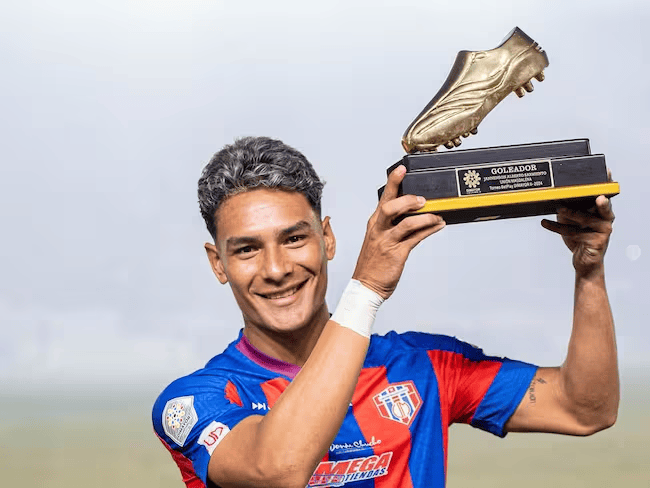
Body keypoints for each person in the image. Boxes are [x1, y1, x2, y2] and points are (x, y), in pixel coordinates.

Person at [152, 136, 618, 488]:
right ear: (218, 263)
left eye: (294, 239)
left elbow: (584, 409)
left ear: (327, 239)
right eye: (247, 249)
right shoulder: (193, 401)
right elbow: (278, 469)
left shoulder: (425, 366)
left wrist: (589, 274)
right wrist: (367, 288)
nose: (276, 269)